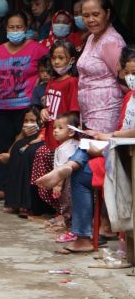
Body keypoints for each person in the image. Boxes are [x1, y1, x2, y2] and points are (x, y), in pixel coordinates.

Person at [36, 47, 135, 254]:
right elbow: (123, 130)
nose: (131, 77)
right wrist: (103, 135)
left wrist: (110, 137)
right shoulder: (129, 97)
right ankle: (83, 238)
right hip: (119, 151)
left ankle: (67, 167)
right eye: (129, 73)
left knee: (82, 161)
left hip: (127, 155)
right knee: (83, 162)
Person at [0, 11, 49, 201]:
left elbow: (49, 69)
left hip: (26, 109)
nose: (15, 31)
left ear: (26, 28)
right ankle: (3, 188)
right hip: (1, 108)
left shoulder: (37, 49)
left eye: (19, 27)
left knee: (23, 147)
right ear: (6, 29)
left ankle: (22, 191)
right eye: (11, 27)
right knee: (2, 148)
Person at [30, 41, 80, 215]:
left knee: (63, 179)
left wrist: (69, 132)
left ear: (71, 60)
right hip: (52, 136)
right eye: (54, 58)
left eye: (61, 58)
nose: (57, 62)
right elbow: (49, 107)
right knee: (52, 173)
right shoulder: (51, 83)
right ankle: (58, 212)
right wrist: (43, 111)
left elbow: (74, 111)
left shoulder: (72, 82)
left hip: (65, 138)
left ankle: (64, 215)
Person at [76, 0, 126, 134]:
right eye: (86, 16)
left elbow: (125, 79)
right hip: (88, 113)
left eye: (96, 14)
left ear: (107, 13)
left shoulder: (111, 41)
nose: (91, 19)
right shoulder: (91, 37)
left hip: (106, 113)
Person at [49, 113, 80, 240]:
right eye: (54, 127)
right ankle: (72, 228)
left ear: (71, 132)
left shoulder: (64, 149)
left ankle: (70, 229)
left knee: (67, 203)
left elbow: (62, 170)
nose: (55, 131)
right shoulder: (74, 143)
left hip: (67, 182)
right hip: (75, 181)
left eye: (60, 128)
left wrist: (57, 185)